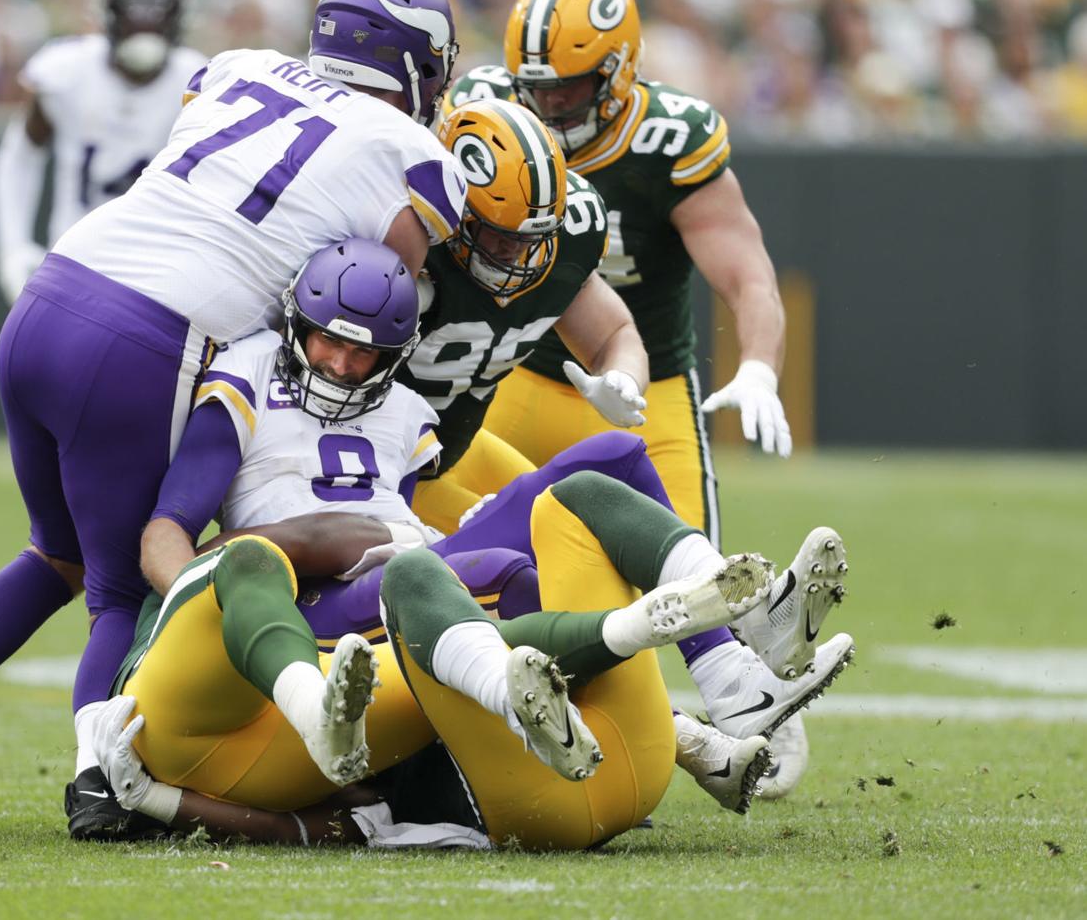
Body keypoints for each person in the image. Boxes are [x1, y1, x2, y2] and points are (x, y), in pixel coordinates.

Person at [0, 0, 467, 833]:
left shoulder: (239, 66)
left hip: (53, 293)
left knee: (56, 555)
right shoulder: (413, 153)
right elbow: (384, 290)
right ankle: (98, 780)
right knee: (119, 589)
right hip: (149, 334)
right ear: (417, 63)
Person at [96, 240, 849, 838]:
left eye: (364, 353)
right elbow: (167, 532)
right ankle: (666, 733)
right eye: (328, 342)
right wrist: (209, 594)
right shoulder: (250, 375)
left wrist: (435, 530)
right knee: (500, 573)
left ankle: (733, 668)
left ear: (395, 354)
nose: (341, 364)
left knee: (612, 460)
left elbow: (403, 517)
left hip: (400, 559)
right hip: (312, 600)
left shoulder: (400, 409)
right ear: (299, 324)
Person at [451, 0, 822, 795]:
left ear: (619, 72)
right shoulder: (486, 113)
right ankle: (664, 729)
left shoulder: (669, 138)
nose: (549, 104)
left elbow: (748, 274)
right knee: (483, 563)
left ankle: (758, 691)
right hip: (515, 372)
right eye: (535, 87)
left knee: (702, 588)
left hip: (642, 386)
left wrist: (759, 366)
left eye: (569, 86)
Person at [94, 504, 779, 850]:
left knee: (454, 632)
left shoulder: (375, 732)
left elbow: (314, 833)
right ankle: (666, 650)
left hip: (531, 808)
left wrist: (158, 802)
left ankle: (640, 654)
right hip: (634, 768)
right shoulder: (391, 703)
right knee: (469, 579)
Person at [398, 96, 647, 535]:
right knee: (536, 541)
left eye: (532, 237)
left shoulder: (567, 239)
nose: (515, 252)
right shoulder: (405, 240)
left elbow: (614, 333)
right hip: (386, 470)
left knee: (589, 516)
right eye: (498, 233)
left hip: (457, 446)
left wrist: (622, 377)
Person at [0, 0, 206, 303]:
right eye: (133, 14)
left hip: (160, 273)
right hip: (74, 262)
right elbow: (18, 159)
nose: (145, 27)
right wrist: (13, 248)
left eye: (157, 14)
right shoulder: (66, 71)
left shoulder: (199, 82)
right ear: (108, 15)